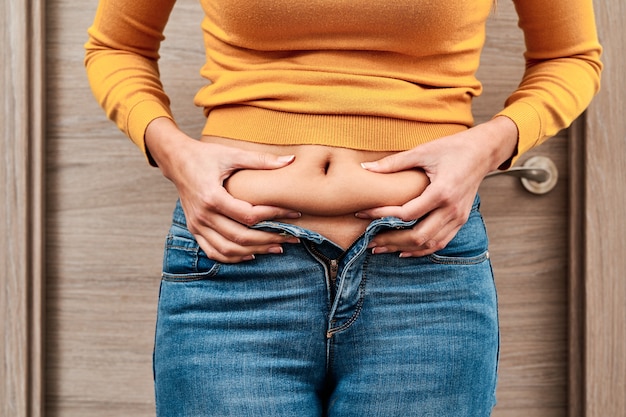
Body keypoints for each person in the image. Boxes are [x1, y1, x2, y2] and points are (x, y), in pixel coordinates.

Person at [85, 0, 602, 415]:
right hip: (235, 274)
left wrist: (488, 146)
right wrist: (174, 154)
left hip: (424, 278)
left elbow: (571, 57)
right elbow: (116, 47)